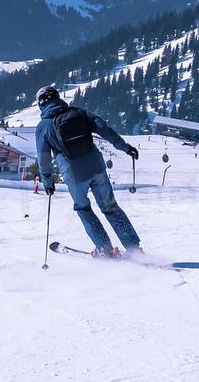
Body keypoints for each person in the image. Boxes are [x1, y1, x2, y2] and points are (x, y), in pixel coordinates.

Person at [35, 86, 142, 257]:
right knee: (110, 207)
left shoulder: (43, 127)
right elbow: (105, 129)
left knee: (83, 209)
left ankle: (105, 249)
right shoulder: (79, 113)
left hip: (74, 175)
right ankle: (134, 248)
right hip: (97, 167)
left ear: (41, 104)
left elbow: (43, 158)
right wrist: (125, 147)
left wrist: (48, 183)